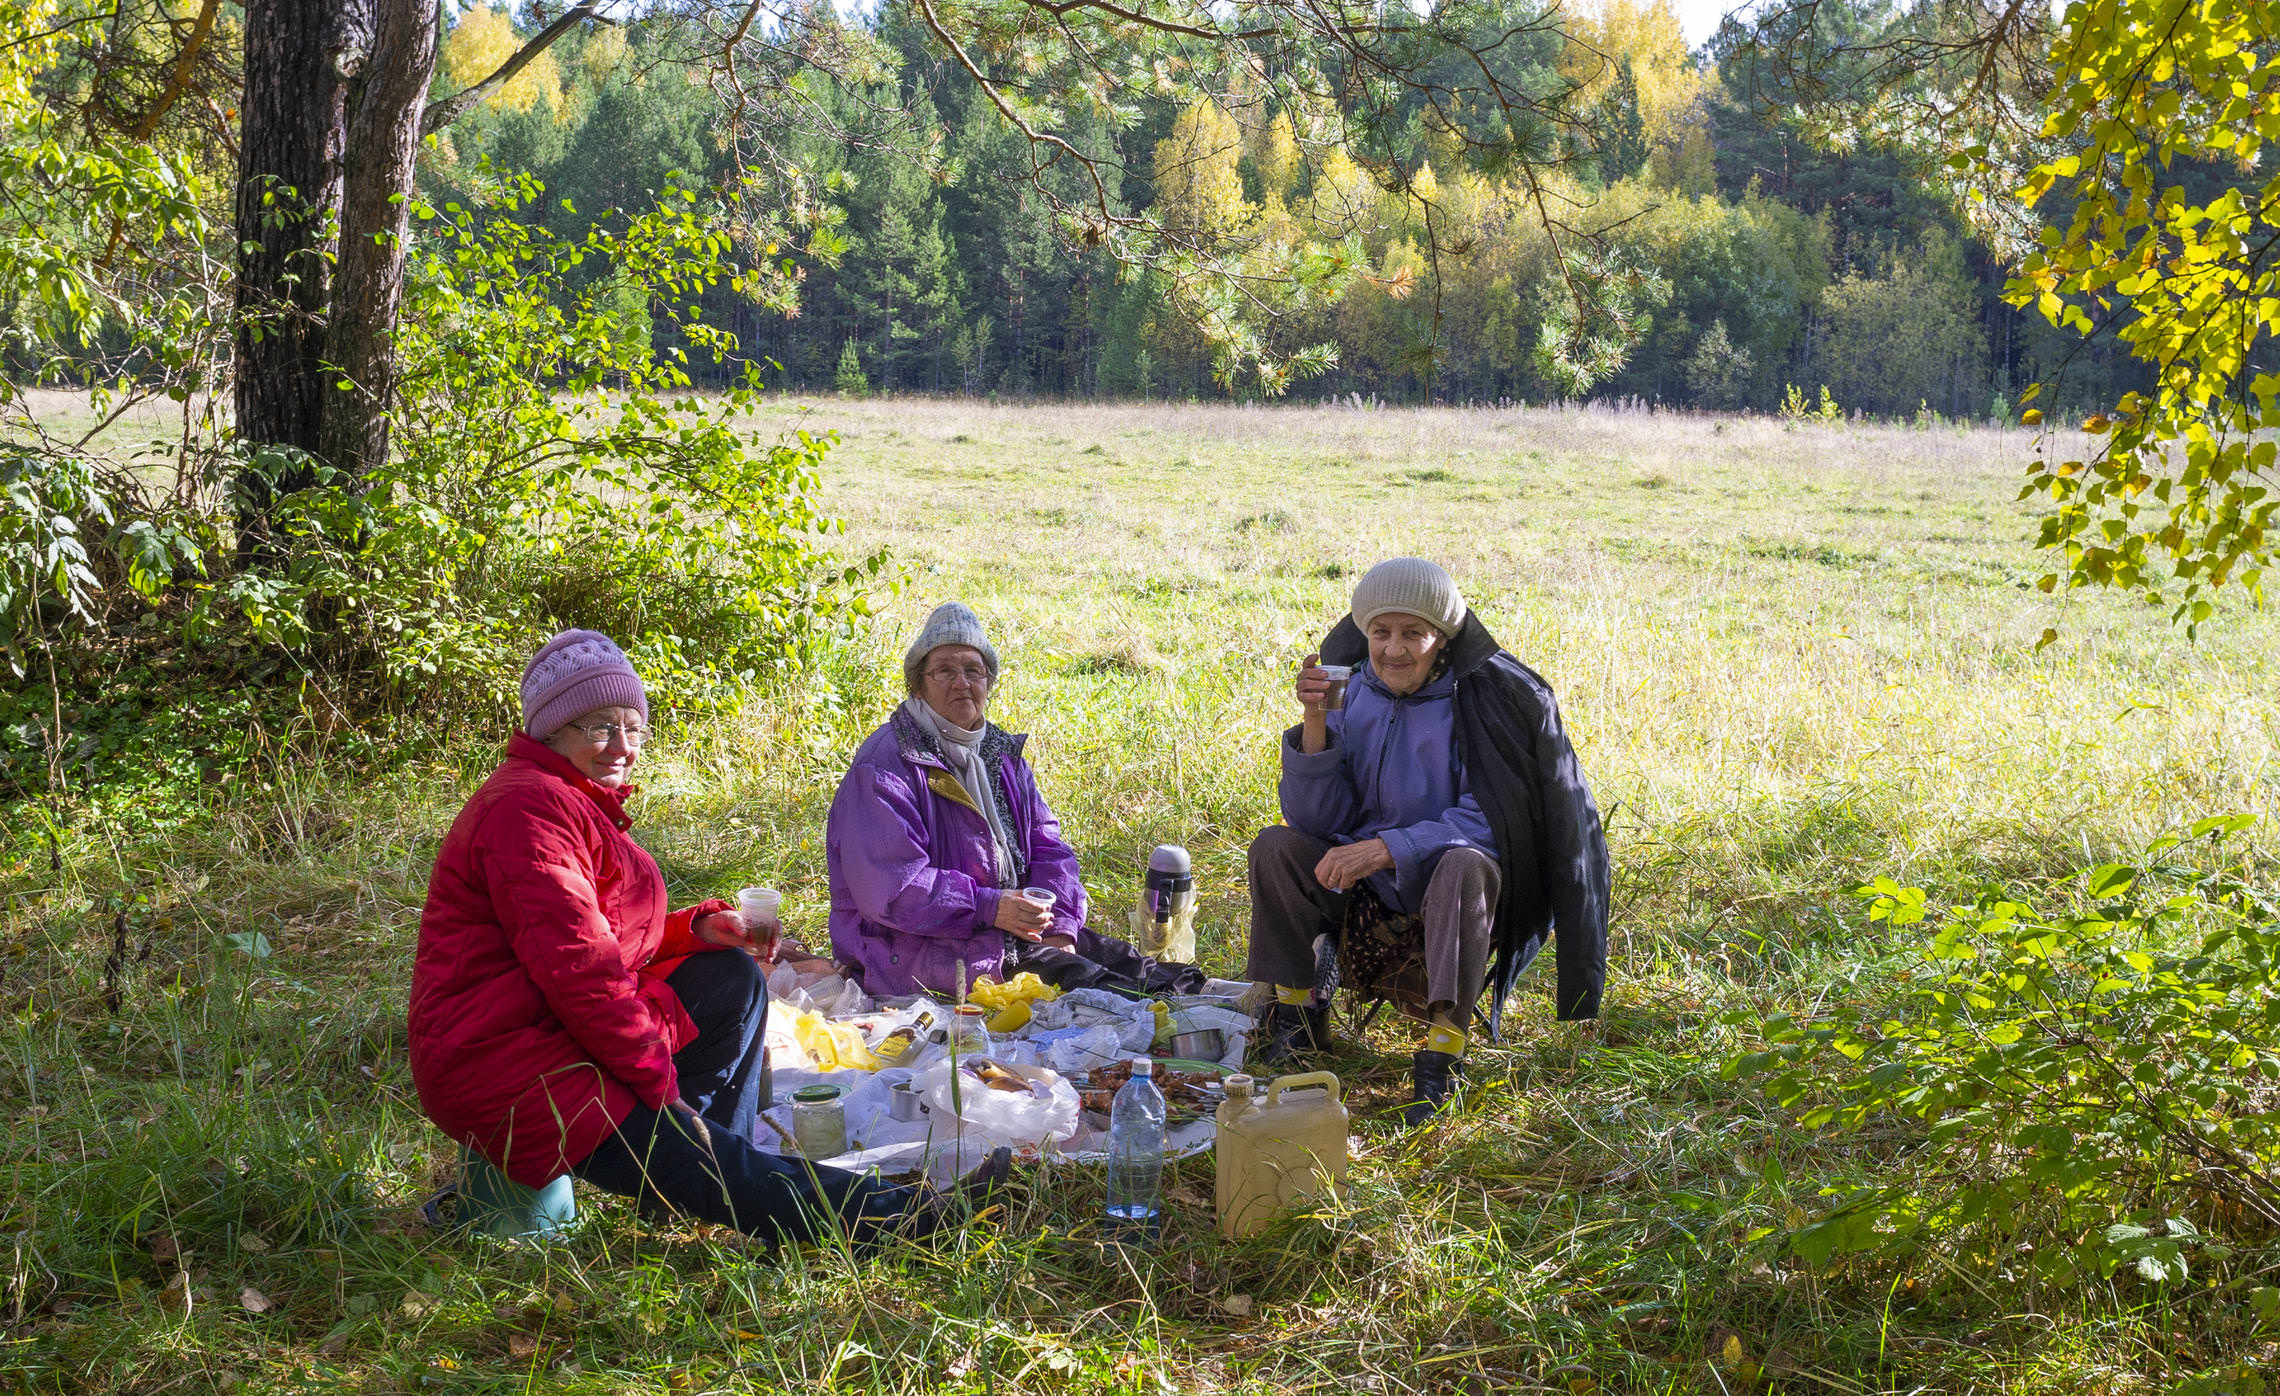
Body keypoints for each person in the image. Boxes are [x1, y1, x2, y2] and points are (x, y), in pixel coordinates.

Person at [408, 629, 1002, 1248]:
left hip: (544, 1029)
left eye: (632, 728)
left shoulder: (569, 799)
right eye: (598, 728)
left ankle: (684, 1187)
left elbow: (598, 936)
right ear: (552, 731)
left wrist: (695, 929)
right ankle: (903, 1220)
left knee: (728, 976)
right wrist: (660, 1094)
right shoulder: (526, 814)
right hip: (505, 1064)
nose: (621, 747)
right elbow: (581, 974)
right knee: (705, 1151)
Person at [1245, 559, 1610, 1123]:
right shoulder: (1352, 690)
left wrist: (1390, 847)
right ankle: (1297, 1019)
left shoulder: (1485, 701)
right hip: (1366, 887)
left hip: (1447, 882)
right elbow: (1315, 822)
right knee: (1276, 847)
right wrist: (1314, 722)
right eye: (1380, 632)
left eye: (1413, 632)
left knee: (1466, 866)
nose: (1393, 650)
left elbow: (1496, 818)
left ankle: (1443, 1055)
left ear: (1442, 637)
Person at [828, 602, 1203, 998]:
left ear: (989, 682)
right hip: (922, 954)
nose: (961, 682)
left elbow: (1049, 846)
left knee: (1154, 972)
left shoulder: (1000, 754)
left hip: (1010, 932)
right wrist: (992, 908)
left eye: (973, 670)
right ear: (918, 685)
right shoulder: (886, 766)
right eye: (944, 670)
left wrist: (1058, 926)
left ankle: (1258, 1018)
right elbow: (893, 890)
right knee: (1120, 998)